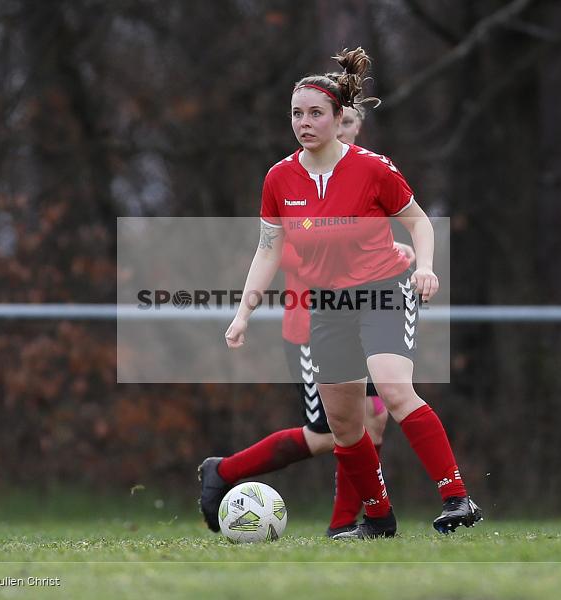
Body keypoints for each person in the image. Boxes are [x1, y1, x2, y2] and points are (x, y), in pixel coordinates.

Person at [221, 47, 482, 539]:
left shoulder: (373, 168)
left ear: (340, 118)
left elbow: (419, 222)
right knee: (343, 426)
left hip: (383, 289)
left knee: (392, 388)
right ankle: (379, 520)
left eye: (315, 113)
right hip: (327, 304)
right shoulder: (280, 177)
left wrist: (424, 267)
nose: (304, 122)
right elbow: (268, 249)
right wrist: (242, 313)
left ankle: (457, 498)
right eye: (297, 113)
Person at [197, 103, 411, 537]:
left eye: (350, 122)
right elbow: (288, 248)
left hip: (366, 317)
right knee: (330, 434)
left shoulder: (367, 174)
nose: (341, 130)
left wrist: (396, 258)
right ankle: (224, 471)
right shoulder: (293, 180)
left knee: (373, 420)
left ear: (355, 125)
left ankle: (346, 526)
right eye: (336, 121)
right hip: (313, 326)